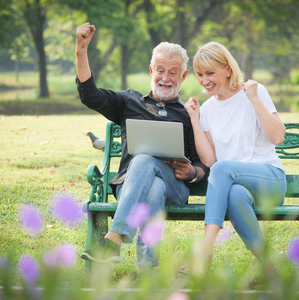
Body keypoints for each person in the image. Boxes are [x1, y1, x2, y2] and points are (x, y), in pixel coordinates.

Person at [75, 22, 210, 270]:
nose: (165, 78)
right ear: (151, 70)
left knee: (144, 160)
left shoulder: (188, 114)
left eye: (173, 72)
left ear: (183, 76)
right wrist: (81, 50)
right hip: (129, 187)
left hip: (176, 189)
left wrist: (193, 172)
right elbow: (90, 95)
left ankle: (113, 240)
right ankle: (148, 268)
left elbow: (205, 164)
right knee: (153, 186)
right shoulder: (128, 102)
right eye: (160, 70)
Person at [184, 42, 287, 271]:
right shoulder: (208, 109)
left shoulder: (254, 92)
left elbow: (278, 136)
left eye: (210, 73)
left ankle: (205, 251)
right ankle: (270, 270)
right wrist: (194, 118)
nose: (204, 80)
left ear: (228, 69)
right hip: (238, 185)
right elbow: (210, 160)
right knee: (234, 195)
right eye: (200, 74)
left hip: (270, 180)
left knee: (222, 169)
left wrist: (255, 100)